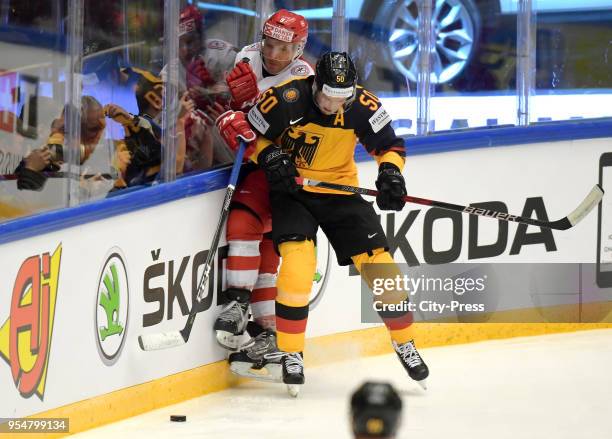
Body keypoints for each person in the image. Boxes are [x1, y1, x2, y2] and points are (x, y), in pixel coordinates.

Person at [216, 52, 429, 394]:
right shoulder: (286, 98)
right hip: (293, 191)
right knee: (298, 266)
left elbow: (390, 145)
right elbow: (248, 134)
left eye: (341, 97)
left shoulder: (361, 104)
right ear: (315, 84)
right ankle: (291, 353)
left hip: (338, 191)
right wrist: (269, 155)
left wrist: (391, 173)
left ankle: (405, 343)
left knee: (382, 267)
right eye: (328, 95)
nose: (334, 104)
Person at [212, 10, 313, 381]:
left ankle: (268, 331)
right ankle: (243, 308)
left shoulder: (305, 78)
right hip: (258, 165)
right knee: (248, 228)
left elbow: (286, 132)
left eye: (282, 48)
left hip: (291, 169)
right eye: (269, 44)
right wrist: (237, 112)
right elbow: (237, 117)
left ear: (298, 48)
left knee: (270, 246)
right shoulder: (246, 57)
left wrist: (251, 107)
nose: (272, 53)